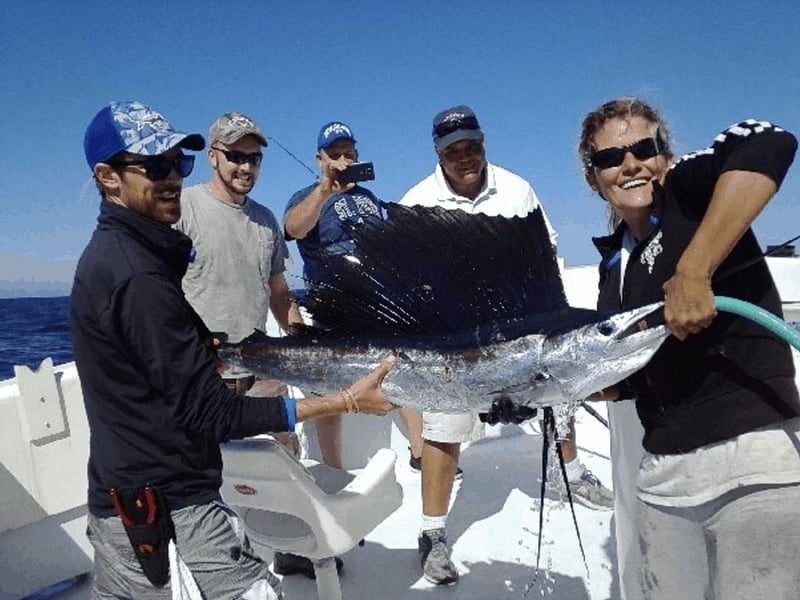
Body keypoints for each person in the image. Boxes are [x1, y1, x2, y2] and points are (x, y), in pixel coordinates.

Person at [71, 100, 397, 599]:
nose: (172, 178)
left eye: (177, 163)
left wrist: (206, 345)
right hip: (166, 512)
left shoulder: (122, 256)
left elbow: (161, 348)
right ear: (108, 177)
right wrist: (345, 401)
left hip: (130, 496)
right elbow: (214, 413)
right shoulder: (138, 275)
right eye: (155, 166)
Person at [579, 97, 800, 600]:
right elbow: (629, 378)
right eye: (611, 158)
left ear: (667, 156)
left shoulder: (687, 193)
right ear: (594, 178)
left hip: (756, 468)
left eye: (643, 148)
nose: (630, 163)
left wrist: (695, 270)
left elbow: (769, 139)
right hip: (664, 481)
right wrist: (559, 392)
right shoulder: (613, 269)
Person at [399, 105, 611, 586]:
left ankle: (569, 474)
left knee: (561, 395)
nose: (465, 156)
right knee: (443, 425)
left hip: (522, 329)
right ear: (438, 152)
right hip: (454, 341)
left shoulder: (517, 189)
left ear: (484, 142)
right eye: (453, 150)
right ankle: (432, 532)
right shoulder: (417, 200)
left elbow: (547, 261)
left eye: (472, 145)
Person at [175, 112, 350, 578]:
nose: (245, 167)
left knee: (281, 461)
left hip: (258, 365)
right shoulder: (184, 209)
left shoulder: (267, 221)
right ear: (213, 155)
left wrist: (304, 342)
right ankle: (213, 568)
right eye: (235, 156)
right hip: (200, 373)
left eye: (253, 158)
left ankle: (288, 547)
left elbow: (277, 293)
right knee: (205, 480)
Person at [283, 120, 425, 470]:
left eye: (349, 153)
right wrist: (324, 191)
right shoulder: (306, 197)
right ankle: (332, 469)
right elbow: (292, 228)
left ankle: (422, 455)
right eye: (335, 155)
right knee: (327, 391)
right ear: (320, 159)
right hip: (333, 310)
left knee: (402, 373)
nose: (344, 161)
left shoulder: (369, 198)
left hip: (378, 306)